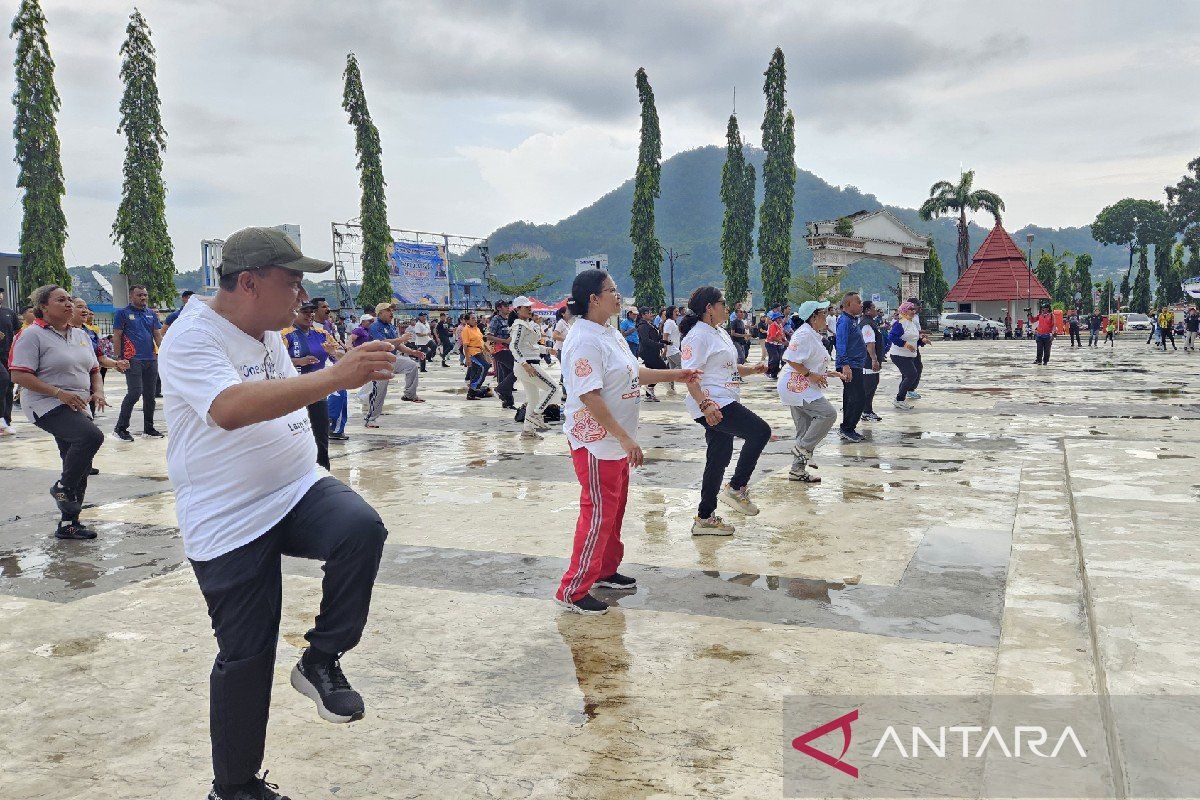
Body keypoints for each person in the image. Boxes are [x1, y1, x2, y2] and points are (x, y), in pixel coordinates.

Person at [159, 227, 394, 800]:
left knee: (360, 529)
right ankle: (234, 786)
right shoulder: (192, 339)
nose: (300, 296)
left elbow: (288, 397)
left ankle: (321, 659)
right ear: (248, 281)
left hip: (294, 489)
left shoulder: (268, 333)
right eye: (291, 283)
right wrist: (339, 375)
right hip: (228, 514)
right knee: (247, 653)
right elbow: (229, 409)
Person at [556, 269, 697, 615]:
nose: (618, 295)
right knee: (598, 513)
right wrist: (624, 437)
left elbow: (635, 373)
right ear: (593, 298)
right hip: (596, 441)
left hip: (616, 441)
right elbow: (588, 395)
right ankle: (573, 589)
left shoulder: (609, 332)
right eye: (612, 290)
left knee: (613, 512)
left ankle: (604, 571)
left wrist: (676, 374)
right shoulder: (583, 339)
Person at [9, 285, 108, 539]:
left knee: (79, 463)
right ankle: (62, 487)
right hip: (46, 403)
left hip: (77, 403)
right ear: (43, 307)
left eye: (69, 300)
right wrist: (58, 393)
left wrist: (99, 392)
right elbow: (19, 374)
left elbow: (95, 370)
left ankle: (68, 524)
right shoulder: (33, 336)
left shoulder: (80, 335)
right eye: (60, 300)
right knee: (90, 437)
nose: (68, 304)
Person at [679, 286, 771, 536]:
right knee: (760, 431)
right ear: (709, 308)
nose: (727, 307)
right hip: (713, 403)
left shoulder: (718, 332)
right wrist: (705, 405)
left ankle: (705, 518)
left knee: (718, 458)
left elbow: (728, 367)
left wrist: (751, 370)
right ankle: (737, 487)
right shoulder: (697, 336)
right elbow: (690, 376)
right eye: (723, 303)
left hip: (724, 398)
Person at [778, 300, 843, 483]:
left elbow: (811, 362)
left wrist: (829, 373)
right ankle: (802, 449)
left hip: (802, 385)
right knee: (828, 414)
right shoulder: (804, 335)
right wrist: (810, 375)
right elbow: (791, 359)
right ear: (814, 316)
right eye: (824, 313)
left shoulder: (812, 334)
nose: (826, 316)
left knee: (804, 429)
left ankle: (796, 471)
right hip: (796, 386)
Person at [284, 302, 342, 468]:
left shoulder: (322, 334)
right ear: (295, 313)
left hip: (317, 392)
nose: (309, 315)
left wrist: (333, 353)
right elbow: (274, 360)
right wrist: (298, 361)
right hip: (293, 393)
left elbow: (339, 356)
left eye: (311, 312)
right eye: (305, 312)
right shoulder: (285, 335)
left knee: (320, 437)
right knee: (295, 437)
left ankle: (323, 473)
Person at [112, 283, 164, 441]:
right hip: (132, 359)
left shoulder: (151, 314)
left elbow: (157, 334)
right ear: (131, 296)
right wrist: (118, 358)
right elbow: (117, 336)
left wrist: (164, 353)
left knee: (150, 396)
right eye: (139, 295)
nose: (143, 297)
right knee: (135, 393)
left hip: (150, 359)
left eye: (145, 295)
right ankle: (120, 428)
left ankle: (148, 428)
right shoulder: (122, 314)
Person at [361, 303, 425, 426]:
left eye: (392, 310)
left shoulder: (390, 326)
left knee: (411, 365)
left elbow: (397, 345)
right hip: (378, 362)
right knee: (380, 388)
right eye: (388, 310)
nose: (392, 313)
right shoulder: (375, 326)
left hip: (391, 358)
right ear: (380, 313)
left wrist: (413, 352)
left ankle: (409, 395)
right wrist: (401, 339)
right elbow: (383, 343)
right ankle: (370, 418)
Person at [509, 296, 557, 438]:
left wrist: (547, 350)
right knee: (553, 388)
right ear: (517, 309)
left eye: (530, 307)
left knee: (533, 399)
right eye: (526, 307)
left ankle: (528, 431)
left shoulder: (526, 324)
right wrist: (524, 364)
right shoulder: (519, 326)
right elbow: (514, 346)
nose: (530, 309)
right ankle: (536, 414)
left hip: (529, 364)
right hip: (527, 365)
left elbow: (531, 346)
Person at [312, 298, 350, 442]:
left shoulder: (328, 325)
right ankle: (331, 427)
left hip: (333, 364)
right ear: (315, 311)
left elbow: (335, 345)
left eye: (328, 306)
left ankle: (334, 428)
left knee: (340, 395)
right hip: (319, 367)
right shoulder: (311, 327)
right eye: (324, 307)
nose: (328, 309)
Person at [834, 292, 867, 443]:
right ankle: (847, 428)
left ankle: (848, 428)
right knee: (857, 398)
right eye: (858, 302)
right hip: (849, 365)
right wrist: (845, 365)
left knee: (851, 398)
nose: (861, 305)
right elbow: (841, 344)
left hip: (855, 364)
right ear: (848, 305)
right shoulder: (845, 321)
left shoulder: (852, 320)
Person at [889, 301, 924, 409]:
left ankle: (900, 399)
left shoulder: (911, 323)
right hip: (899, 355)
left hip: (909, 355)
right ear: (904, 311)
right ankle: (899, 399)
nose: (914, 311)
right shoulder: (900, 323)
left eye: (914, 309)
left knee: (909, 375)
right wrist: (905, 344)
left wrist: (922, 341)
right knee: (912, 374)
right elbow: (892, 337)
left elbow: (914, 339)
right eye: (911, 309)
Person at [487, 300, 517, 409]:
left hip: (509, 349)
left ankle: (508, 402)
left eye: (508, 305)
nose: (507, 308)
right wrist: (504, 341)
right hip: (499, 350)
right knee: (517, 370)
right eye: (505, 306)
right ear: (499, 308)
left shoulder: (509, 319)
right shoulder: (496, 319)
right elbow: (489, 336)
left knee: (507, 376)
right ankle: (499, 389)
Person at [0, 287, 21, 435]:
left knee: (8, 386)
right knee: (3, 379)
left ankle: (6, 420)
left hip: (7, 355)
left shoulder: (9, 312)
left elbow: (17, 333)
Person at [635, 306, 667, 402]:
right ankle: (645, 386)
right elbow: (645, 341)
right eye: (648, 312)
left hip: (653, 352)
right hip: (648, 353)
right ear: (643, 315)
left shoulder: (649, 324)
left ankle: (648, 392)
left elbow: (655, 337)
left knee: (654, 371)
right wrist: (659, 345)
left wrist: (664, 342)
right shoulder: (642, 326)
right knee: (662, 369)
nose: (651, 314)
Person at [859, 300, 884, 423]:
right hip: (868, 361)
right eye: (873, 307)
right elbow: (870, 343)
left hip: (873, 360)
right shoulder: (867, 324)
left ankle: (868, 410)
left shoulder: (871, 322)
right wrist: (874, 359)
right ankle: (865, 411)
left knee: (874, 384)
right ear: (868, 310)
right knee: (869, 386)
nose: (876, 309)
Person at [462, 313, 492, 399]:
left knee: (475, 371)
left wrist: (487, 349)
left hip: (479, 351)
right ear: (467, 321)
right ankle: (475, 388)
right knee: (484, 366)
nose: (475, 320)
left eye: (475, 318)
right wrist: (467, 358)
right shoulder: (466, 330)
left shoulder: (477, 328)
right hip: (472, 352)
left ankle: (471, 393)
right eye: (472, 319)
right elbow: (465, 345)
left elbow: (481, 340)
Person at [660, 306, 682, 395]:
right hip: (672, 350)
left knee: (672, 369)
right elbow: (665, 336)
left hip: (673, 349)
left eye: (678, 311)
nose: (678, 313)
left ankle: (671, 389)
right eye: (675, 311)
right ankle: (666, 378)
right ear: (671, 312)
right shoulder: (669, 323)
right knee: (682, 365)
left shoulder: (672, 322)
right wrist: (665, 349)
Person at [765, 311, 787, 378]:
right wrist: (783, 342)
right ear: (775, 319)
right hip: (770, 344)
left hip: (778, 344)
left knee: (778, 359)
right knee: (775, 358)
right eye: (779, 318)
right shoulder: (773, 325)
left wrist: (786, 341)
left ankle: (774, 374)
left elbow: (782, 335)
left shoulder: (780, 326)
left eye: (781, 318)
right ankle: (767, 371)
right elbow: (773, 337)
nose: (780, 319)